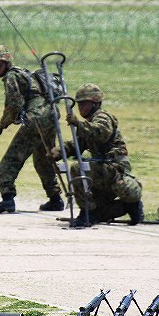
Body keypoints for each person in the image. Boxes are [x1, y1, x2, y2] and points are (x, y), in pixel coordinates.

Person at [0, 45, 64, 214]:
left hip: (36, 118)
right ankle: (55, 198)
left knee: (11, 160)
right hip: (50, 115)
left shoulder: (11, 76)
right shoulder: (23, 73)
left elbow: (14, 104)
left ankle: (7, 198)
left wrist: (2, 124)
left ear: (7, 62)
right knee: (44, 159)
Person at [51, 83, 144, 226]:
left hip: (115, 167)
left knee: (77, 168)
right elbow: (77, 145)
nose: (81, 107)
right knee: (99, 211)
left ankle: (87, 212)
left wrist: (79, 124)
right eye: (79, 104)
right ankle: (129, 207)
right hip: (102, 170)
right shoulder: (88, 123)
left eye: (84, 104)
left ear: (95, 103)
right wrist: (60, 150)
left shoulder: (103, 117)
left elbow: (100, 133)